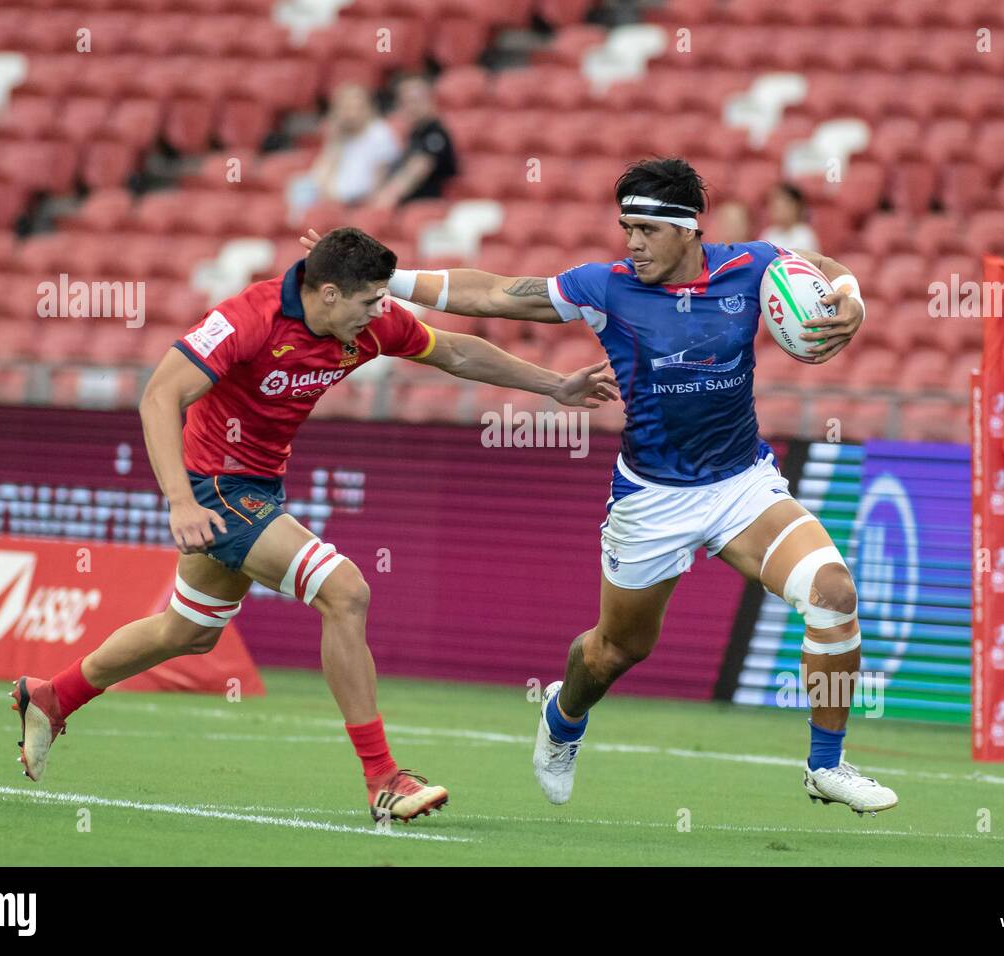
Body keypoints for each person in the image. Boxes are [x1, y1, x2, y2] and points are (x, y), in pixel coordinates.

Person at [337, 157, 899, 816]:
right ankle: (563, 718)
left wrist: (853, 297)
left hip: (742, 484)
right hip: (652, 497)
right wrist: (389, 278)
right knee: (617, 649)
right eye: (625, 227)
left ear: (689, 231)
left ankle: (826, 766)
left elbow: (826, 269)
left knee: (833, 594)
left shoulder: (752, 266)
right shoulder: (606, 287)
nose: (631, 243)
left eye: (645, 230)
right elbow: (497, 293)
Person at [10, 227, 618, 823]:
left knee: (186, 634)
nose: (379, 311)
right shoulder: (248, 317)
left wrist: (553, 385)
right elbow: (159, 396)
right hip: (215, 487)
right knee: (346, 591)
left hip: (260, 485)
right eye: (368, 301)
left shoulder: (368, 321)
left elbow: (454, 350)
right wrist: (179, 502)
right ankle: (383, 778)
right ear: (328, 293)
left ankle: (52, 696)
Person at [286, 84, 401, 221]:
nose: (350, 114)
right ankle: (296, 228)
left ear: (367, 108)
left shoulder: (380, 133)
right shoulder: (340, 136)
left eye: (355, 108)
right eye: (344, 108)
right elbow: (320, 174)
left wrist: (368, 206)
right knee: (300, 185)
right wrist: (335, 141)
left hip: (356, 201)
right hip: (330, 198)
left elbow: (381, 178)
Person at [369, 75, 458, 208]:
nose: (411, 107)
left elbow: (418, 168)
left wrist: (386, 197)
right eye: (405, 102)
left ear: (431, 100)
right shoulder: (414, 134)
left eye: (416, 100)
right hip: (407, 206)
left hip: (428, 206)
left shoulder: (435, 133)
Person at [759, 182, 819, 252]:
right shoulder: (768, 234)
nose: (778, 206)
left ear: (796, 207)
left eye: (784, 202)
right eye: (773, 203)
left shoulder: (805, 234)